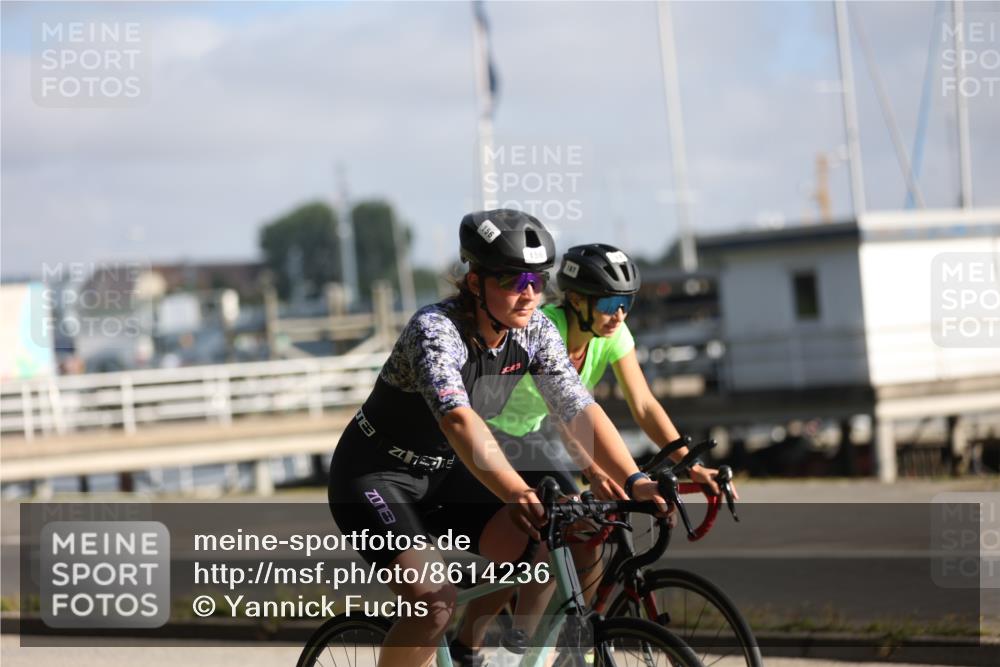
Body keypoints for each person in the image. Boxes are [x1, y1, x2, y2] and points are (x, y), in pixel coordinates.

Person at [328, 211, 667, 667]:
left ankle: (503, 652)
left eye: (537, 280)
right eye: (513, 280)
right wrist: (516, 491)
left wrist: (634, 478)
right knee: (434, 604)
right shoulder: (436, 330)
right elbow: (458, 421)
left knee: (552, 539)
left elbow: (577, 405)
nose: (529, 293)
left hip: (447, 472)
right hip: (377, 476)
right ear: (475, 282)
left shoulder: (535, 331)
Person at [450, 243, 738, 661]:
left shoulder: (615, 336)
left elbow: (644, 404)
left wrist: (689, 464)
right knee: (536, 537)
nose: (618, 314)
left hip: (529, 438)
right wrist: (592, 469)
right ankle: (493, 646)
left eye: (626, 303)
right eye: (607, 303)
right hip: (490, 437)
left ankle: (575, 640)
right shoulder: (543, 328)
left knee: (587, 531)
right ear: (576, 300)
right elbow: (560, 412)